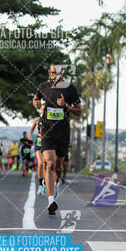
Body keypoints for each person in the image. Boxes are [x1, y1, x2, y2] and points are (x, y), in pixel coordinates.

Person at [33, 62, 81, 215]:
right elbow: (35, 99)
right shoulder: (43, 87)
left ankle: (57, 181)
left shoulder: (70, 89)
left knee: (58, 167)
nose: (55, 76)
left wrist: (66, 105)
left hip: (63, 133)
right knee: (50, 163)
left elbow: (79, 111)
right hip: (47, 131)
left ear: (63, 73)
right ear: (49, 72)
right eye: (53, 73)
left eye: (58, 73)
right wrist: (37, 103)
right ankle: (51, 200)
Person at [29, 116, 46, 195]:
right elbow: (32, 128)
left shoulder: (50, 119)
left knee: (46, 165)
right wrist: (30, 135)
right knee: (40, 163)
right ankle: (40, 186)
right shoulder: (37, 119)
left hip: (47, 142)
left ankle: (45, 184)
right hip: (38, 142)